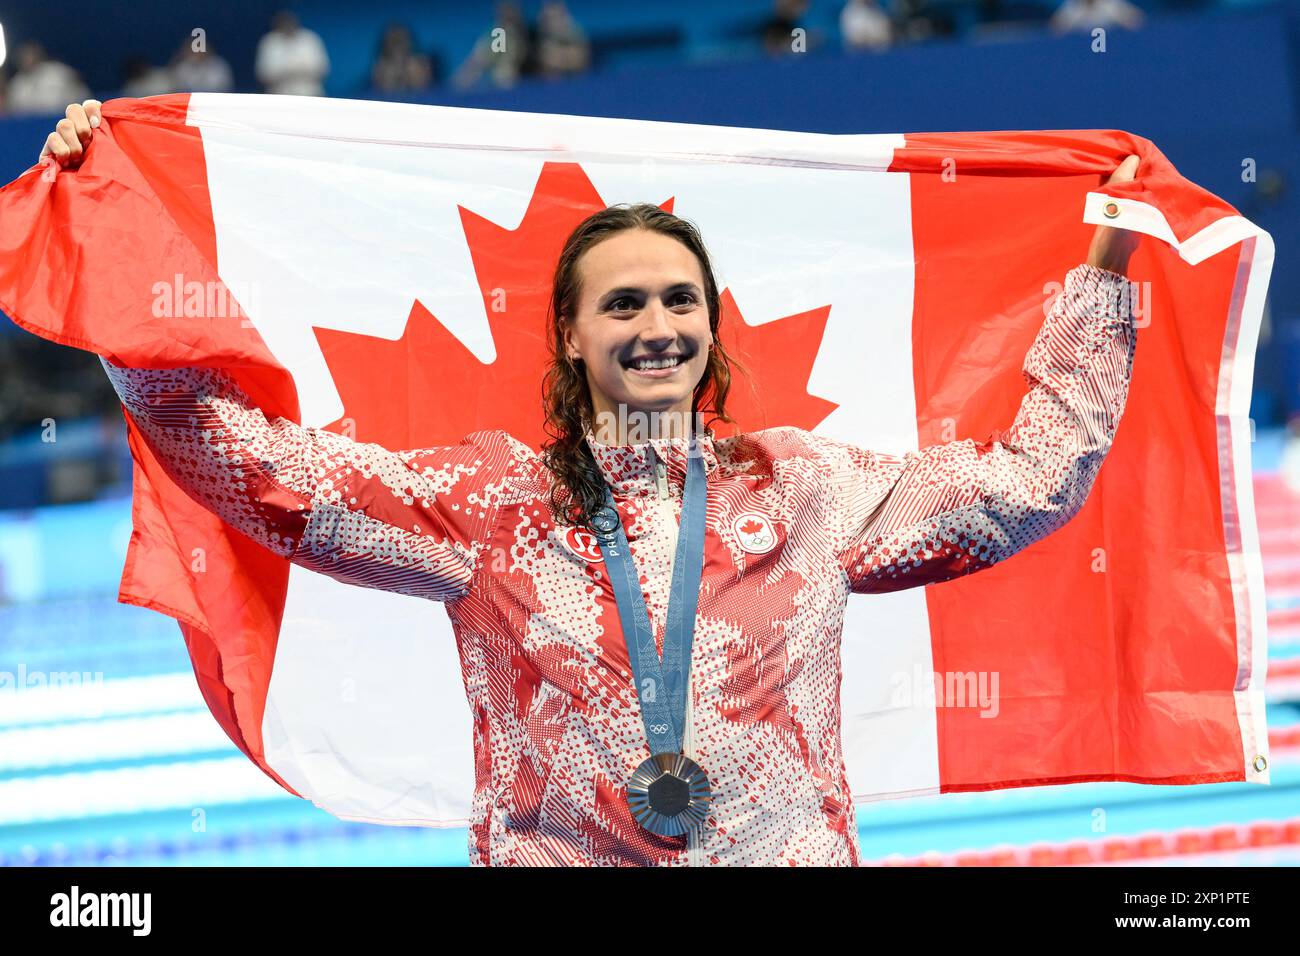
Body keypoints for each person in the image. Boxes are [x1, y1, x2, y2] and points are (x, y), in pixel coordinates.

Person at [41, 100, 1141, 866]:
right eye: (623, 305)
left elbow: (1025, 484)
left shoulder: (805, 490)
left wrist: (1103, 282)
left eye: (679, 300)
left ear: (713, 324)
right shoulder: (487, 509)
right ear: (569, 333)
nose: (656, 326)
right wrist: (110, 243)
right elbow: (254, 468)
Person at [255, 11, 330, 96]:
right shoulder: (270, 41)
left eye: (290, 23)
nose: (287, 26)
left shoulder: (310, 39)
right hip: (279, 95)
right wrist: (294, 70)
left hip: (309, 93)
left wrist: (290, 70)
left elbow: (322, 69)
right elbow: (264, 73)